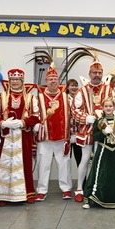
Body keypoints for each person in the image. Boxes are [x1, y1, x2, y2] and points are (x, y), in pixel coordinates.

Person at [0, 69, 40, 205]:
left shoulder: (31, 98)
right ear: (9, 81)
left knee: (24, 163)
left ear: (22, 81)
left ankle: (27, 192)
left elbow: (37, 116)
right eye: (13, 80)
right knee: (4, 163)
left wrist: (23, 122)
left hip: (23, 135)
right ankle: (2, 195)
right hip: (6, 136)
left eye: (18, 80)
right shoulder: (0, 96)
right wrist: (2, 123)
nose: (15, 82)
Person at [72, 56, 114, 202]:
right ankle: (79, 189)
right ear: (89, 74)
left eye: (99, 73)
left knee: (103, 160)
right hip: (87, 131)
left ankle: (100, 188)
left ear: (102, 74)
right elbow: (74, 110)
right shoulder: (81, 91)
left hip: (105, 131)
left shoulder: (109, 90)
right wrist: (85, 118)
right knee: (84, 160)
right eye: (94, 72)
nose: (97, 75)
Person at [35, 66, 73, 201]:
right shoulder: (38, 97)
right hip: (45, 137)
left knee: (64, 164)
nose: (53, 81)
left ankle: (66, 189)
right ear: (46, 80)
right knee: (43, 164)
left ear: (59, 81)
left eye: (55, 79)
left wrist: (72, 132)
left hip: (62, 137)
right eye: (50, 79)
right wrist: (35, 124)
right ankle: (41, 190)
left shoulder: (66, 97)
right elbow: (34, 113)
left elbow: (72, 114)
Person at [66, 79, 82, 167]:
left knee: (80, 159)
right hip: (67, 135)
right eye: (72, 85)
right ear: (67, 87)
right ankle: (67, 181)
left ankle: (82, 181)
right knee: (66, 160)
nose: (74, 87)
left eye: (76, 85)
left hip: (78, 133)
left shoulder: (81, 98)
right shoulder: (64, 98)